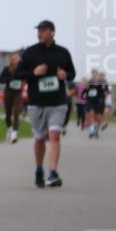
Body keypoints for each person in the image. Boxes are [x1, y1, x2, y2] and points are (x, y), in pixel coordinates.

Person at [15, 20, 75, 188]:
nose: (39, 33)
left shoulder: (63, 53)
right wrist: (33, 73)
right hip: (36, 103)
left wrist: (65, 75)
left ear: (52, 32)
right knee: (40, 138)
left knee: (54, 135)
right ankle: (39, 169)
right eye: (38, 30)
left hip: (58, 102)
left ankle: (53, 172)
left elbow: (72, 73)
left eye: (43, 30)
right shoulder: (30, 52)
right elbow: (18, 74)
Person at [0, 52, 24, 144]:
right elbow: (0, 79)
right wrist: (8, 79)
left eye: (17, 59)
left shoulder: (22, 69)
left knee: (16, 112)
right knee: (8, 113)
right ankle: (9, 129)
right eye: (14, 59)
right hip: (8, 92)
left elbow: (27, 76)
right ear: (11, 60)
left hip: (18, 93)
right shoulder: (7, 69)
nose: (16, 60)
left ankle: (14, 133)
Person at [82, 70, 109, 139]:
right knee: (91, 115)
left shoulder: (102, 83)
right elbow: (85, 90)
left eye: (96, 74)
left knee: (98, 118)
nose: (94, 75)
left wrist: (103, 96)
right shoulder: (89, 82)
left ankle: (96, 131)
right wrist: (86, 85)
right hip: (90, 101)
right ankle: (91, 131)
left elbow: (105, 92)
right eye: (93, 74)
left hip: (99, 102)